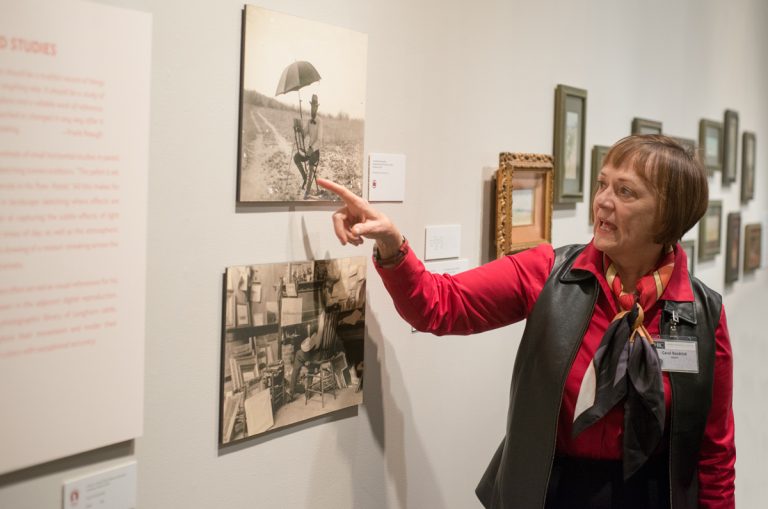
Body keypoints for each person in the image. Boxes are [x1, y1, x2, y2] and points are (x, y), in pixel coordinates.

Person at [316, 134, 735, 509]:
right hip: (552, 492)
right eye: (602, 184)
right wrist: (392, 244)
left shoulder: (703, 314)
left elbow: (714, 453)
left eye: (625, 191)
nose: (603, 201)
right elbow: (439, 305)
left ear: (668, 215)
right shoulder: (550, 272)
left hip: (653, 496)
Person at [293, 94, 322, 190]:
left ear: (317, 108)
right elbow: (304, 134)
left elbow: (319, 140)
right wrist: (298, 129)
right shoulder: (309, 121)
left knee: (310, 164)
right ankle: (304, 177)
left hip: (315, 152)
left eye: (314, 107)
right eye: (312, 106)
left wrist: (312, 149)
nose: (312, 109)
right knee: (296, 157)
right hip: (308, 151)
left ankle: (308, 191)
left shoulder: (320, 121)